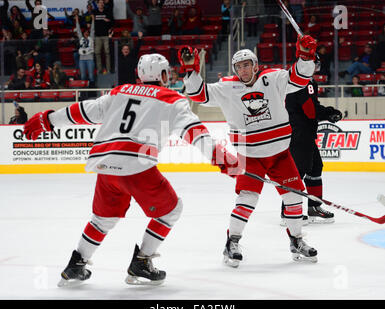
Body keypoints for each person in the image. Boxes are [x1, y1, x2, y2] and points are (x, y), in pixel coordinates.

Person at [22, 53, 239, 286]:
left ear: (140, 74)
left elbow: (85, 110)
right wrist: (217, 155)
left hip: (105, 165)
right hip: (137, 166)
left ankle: (76, 264)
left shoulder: (120, 91)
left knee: (101, 220)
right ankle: (142, 262)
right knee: (171, 210)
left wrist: (49, 119)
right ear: (163, 75)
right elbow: (194, 131)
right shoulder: (172, 98)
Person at [180, 34, 319, 266]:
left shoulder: (273, 78)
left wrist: (305, 56)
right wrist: (191, 73)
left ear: (255, 65)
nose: (244, 70)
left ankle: (296, 240)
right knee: (247, 200)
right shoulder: (227, 87)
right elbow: (198, 95)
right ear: (235, 69)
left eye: (247, 65)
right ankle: (231, 242)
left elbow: (300, 78)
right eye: (239, 66)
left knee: (294, 198)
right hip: (251, 157)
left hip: (280, 155)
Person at [280, 72, 342, 226]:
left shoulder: (304, 82)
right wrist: (329, 113)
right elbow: (310, 110)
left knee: (315, 168)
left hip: (305, 133)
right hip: (299, 134)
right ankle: (288, 211)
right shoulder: (301, 83)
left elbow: (311, 107)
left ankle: (313, 207)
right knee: (297, 172)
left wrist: (328, 112)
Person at [93, 0, 114, 74]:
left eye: (102, 3)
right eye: (100, 3)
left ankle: (108, 70)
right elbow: (91, 23)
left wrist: (108, 21)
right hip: (97, 36)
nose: (101, 4)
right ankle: (99, 70)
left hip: (106, 36)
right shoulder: (94, 12)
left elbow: (112, 22)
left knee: (107, 53)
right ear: (97, 4)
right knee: (97, 53)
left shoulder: (107, 11)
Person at [76, 14, 95, 86]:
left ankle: (92, 91)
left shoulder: (91, 38)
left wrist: (93, 20)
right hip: (82, 59)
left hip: (90, 58)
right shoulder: (81, 38)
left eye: (88, 32)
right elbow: (78, 30)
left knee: (91, 76)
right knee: (83, 76)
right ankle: (84, 92)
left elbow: (92, 29)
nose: (86, 33)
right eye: (85, 32)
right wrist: (77, 21)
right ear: (83, 33)